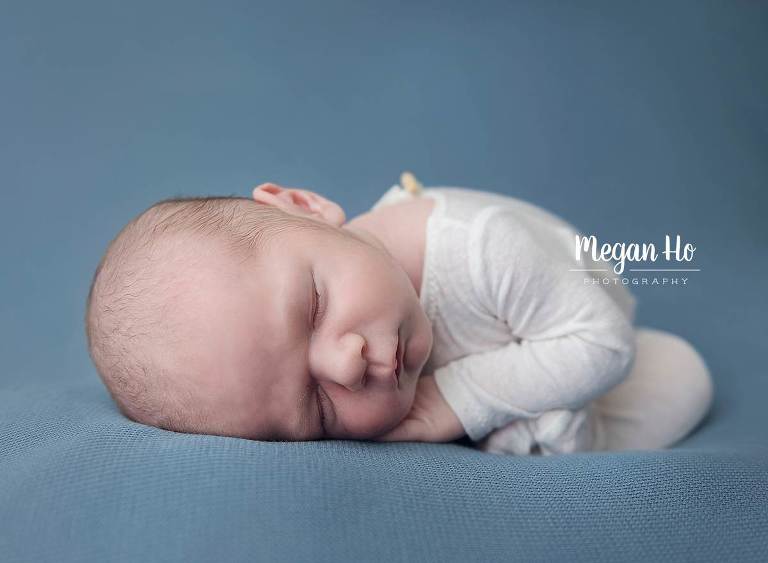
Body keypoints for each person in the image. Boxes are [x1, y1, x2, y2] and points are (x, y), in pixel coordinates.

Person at [84, 172, 714, 454]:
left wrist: (452, 402)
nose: (348, 364)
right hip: (526, 348)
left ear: (305, 204)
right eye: (318, 409)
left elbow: (601, 342)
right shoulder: (365, 304)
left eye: (313, 306)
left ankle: (576, 435)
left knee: (683, 377)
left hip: (583, 318)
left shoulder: (483, 245)